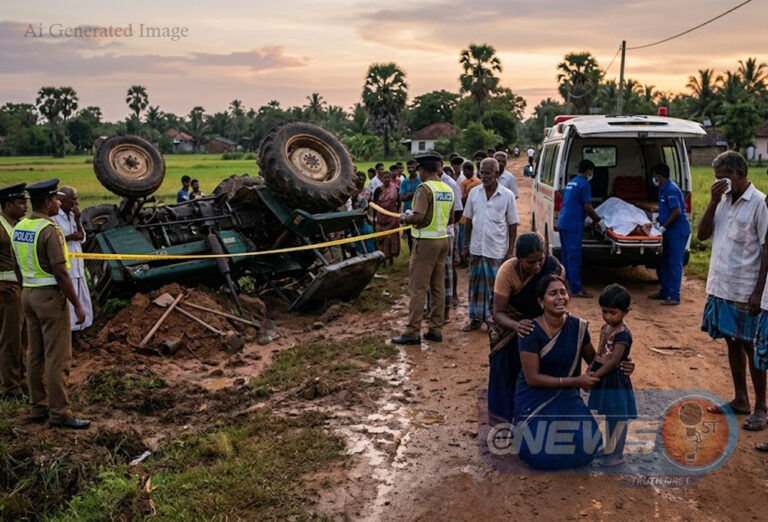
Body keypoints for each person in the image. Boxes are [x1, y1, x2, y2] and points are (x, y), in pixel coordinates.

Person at [12, 179, 90, 429]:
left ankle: (38, 407)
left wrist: (26, 287)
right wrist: (77, 304)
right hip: (49, 298)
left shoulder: (21, 226)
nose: (59, 202)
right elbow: (61, 272)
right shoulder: (49, 230)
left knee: (35, 354)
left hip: (28, 296)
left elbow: (17, 265)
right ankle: (60, 413)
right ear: (47, 203)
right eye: (56, 199)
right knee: (58, 357)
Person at [699, 151, 768, 431]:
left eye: (724, 178)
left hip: (746, 289)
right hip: (722, 286)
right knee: (731, 341)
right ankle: (741, 399)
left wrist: (758, 292)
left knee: (753, 348)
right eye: (717, 179)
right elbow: (703, 234)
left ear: (740, 174)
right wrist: (713, 201)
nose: (720, 184)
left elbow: (767, 249)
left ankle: (762, 407)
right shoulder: (722, 202)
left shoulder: (760, 204)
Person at [514, 274, 601, 470]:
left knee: (589, 443)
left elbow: (594, 361)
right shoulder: (531, 331)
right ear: (541, 301)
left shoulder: (578, 327)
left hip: (566, 397)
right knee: (539, 450)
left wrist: (620, 363)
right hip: (535, 397)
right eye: (553, 293)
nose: (560, 297)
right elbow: (532, 378)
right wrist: (575, 382)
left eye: (563, 292)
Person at [488, 232, 565, 423]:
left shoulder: (553, 267)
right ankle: (502, 417)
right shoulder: (507, 271)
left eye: (540, 260)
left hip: (541, 321)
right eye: (530, 263)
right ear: (519, 259)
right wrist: (516, 325)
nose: (537, 267)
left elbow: (559, 301)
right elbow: (498, 312)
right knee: (504, 363)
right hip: (510, 321)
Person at [391, 152, 454, 345]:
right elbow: (451, 219)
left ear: (422, 170)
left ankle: (412, 331)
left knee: (418, 287)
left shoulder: (423, 189)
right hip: (443, 240)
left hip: (425, 241)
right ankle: (435, 329)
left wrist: (404, 218)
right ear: (438, 168)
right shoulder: (447, 189)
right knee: (437, 287)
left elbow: (417, 217)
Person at [462, 158, 519, 332]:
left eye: (488, 173)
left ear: (497, 173)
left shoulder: (507, 195)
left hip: (497, 249)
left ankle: (496, 320)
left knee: (496, 288)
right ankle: (475, 319)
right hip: (477, 248)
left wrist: (510, 250)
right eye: (482, 172)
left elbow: (512, 224)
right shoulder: (474, 193)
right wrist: (465, 245)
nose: (484, 176)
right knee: (475, 286)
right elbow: (469, 220)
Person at [587, 284, 637, 466]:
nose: (608, 316)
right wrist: (591, 367)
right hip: (605, 377)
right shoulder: (605, 328)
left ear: (626, 312)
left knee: (618, 417)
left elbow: (613, 362)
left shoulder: (623, 334)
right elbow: (600, 351)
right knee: (610, 416)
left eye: (612, 312)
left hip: (614, 379)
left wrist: (595, 376)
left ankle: (617, 455)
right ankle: (610, 448)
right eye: (604, 311)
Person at [557, 159, 606, 298]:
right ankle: (576, 289)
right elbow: (588, 206)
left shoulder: (571, 183)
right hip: (573, 225)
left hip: (564, 222)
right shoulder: (584, 185)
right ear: (589, 171)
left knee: (566, 257)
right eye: (592, 171)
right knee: (574, 258)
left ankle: (565, 286)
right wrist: (598, 220)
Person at [52, 186, 93, 331]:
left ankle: (83, 329)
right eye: (73, 200)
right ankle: (72, 334)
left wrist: (77, 218)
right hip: (67, 268)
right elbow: (53, 240)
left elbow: (82, 237)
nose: (76, 203)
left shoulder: (73, 215)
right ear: (62, 201)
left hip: (78, 266)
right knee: (71, 304)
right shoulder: (54, 218)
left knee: (83, 300)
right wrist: (69, 237)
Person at [0, 183, 28, 402]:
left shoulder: (17, 224)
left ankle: (22, 381)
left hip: (20, 290)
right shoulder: (1, 226)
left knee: (22, 340)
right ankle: (11, 389)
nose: (25, 206)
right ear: (7, 205)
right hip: (6, 293)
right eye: (20, 202)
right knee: (10, 341)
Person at [649, 162, 691, 305]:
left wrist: (664, 227)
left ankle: (674, 295)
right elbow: (665, 210)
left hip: (677, 231)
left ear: (659, 176)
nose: (653, 179)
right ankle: (665, 291)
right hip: (669, 230)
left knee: (674, 263)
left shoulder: (671, 190)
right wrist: (658, 223)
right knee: (664, 262)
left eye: (654, 176)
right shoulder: (663, 188)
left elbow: (677, 212)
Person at [373, 172, 401, 265]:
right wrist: (373, 218)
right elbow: (374, 204)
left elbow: (399, 202)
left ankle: (391, 260)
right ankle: (383, 260)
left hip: (392, 216)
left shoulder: (395, 188)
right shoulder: (378, 190)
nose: (387, 179)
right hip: (381, 217)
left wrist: (398, 214)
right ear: (381, 179)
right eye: (385, 177)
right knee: (381, 238)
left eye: (388, 177)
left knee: (391, 238)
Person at [399, 160, 422, 252]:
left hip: (419, 210)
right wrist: (415, 193)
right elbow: (401, 197)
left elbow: (422, 195)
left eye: (412, 167)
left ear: (416, 168)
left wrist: (408, 194)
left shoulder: (421, 180)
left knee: (419, 235)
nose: (410, 169)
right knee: (409, 235)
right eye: (408, 167)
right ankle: (411, 254)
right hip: (408, 211)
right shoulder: (404, 182)